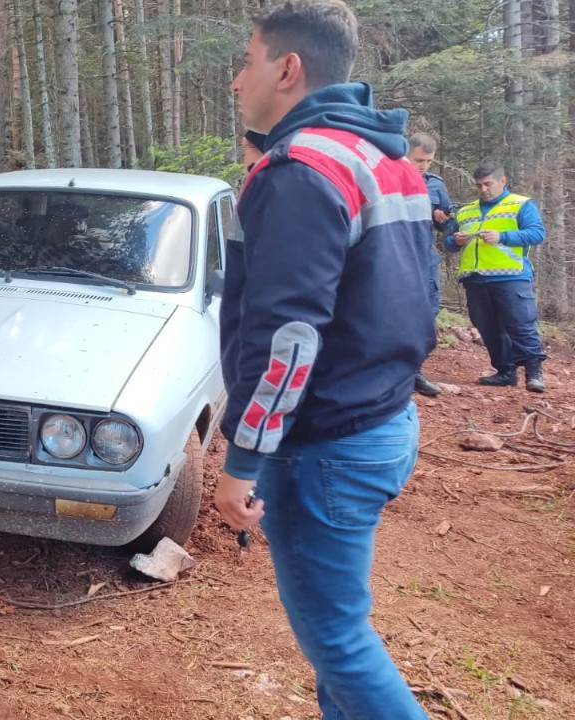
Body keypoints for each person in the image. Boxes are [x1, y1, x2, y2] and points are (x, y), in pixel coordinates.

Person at [221, 1, 434, 718]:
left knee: (339, 641)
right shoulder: (382, 158)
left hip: (327, 446)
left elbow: (287, 340)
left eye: (246, 62)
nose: (235, 81)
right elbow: (412, 295)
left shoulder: (300, 170)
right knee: (336, 640)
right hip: (382, 420)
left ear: (288, 69)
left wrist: (243, 460)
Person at [446, 163, 547, 392]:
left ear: (502, 181)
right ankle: (505, 372)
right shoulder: (466, 211)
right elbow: (449, 243)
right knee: (488, 327)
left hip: (511, 276)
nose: (483, 189)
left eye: (488, 184)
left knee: (521, 324)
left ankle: (534, 373)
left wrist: (502, 236)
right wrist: (456, 240)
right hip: (475, 278)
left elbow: (537, 233)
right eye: (479, 185)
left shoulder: (520, 204)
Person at [406, 132, 455, 396]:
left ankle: (414, 371)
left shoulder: (435, 185)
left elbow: (445, 223)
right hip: (396, 255)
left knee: (427, 313)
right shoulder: (388, 176)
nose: (423, 166)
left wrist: (444, 219)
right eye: (419, 159)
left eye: (428, 161)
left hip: (424, 256)